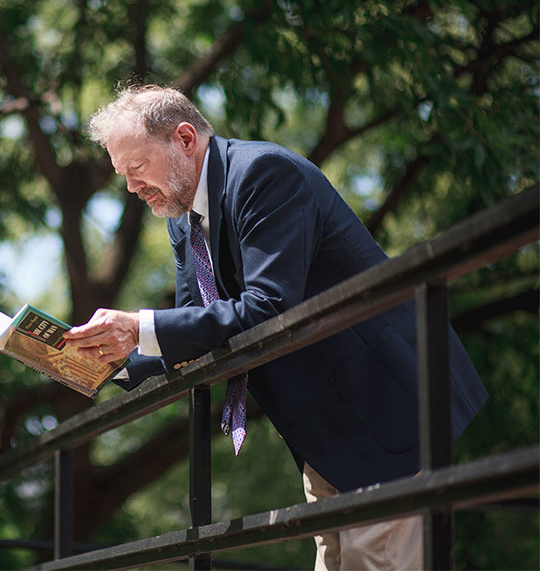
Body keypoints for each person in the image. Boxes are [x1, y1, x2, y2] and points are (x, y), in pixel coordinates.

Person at [63, 85, 487, 571]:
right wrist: (110, 361)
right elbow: (192, 332)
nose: (132, 187)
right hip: (324, 430)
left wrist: (137, 325)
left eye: (136, 169)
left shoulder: (263, 174)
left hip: (382, 406)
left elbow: (268, 307)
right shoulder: (182, 220)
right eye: (124, 176)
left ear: (184, 138)